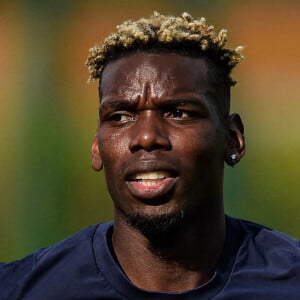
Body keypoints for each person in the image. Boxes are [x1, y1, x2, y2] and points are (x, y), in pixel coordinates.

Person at [1, 11, 300, 299]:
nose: (146, 137)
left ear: (232, 139)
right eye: (120, 117)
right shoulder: (21, 289)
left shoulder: (288, 280)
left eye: (179, 113)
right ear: (97, 146)